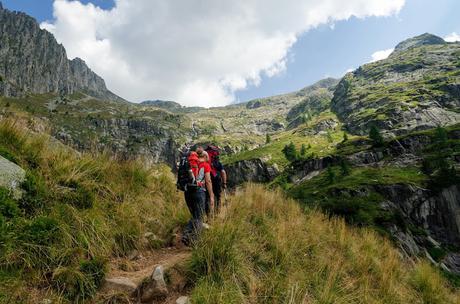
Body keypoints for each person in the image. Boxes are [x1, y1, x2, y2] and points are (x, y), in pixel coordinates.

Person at [182, 149, 214, 245]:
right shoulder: (205, 165)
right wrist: (211, 195)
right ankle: (195, 240)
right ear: (204, 156)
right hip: (199, 191)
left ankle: (186, 235)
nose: (208, 158)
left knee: (195, 216)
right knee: (199, 217)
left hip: (187, 191)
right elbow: (208, 181)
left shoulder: (189, 163)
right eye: (207, 156)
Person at [205, 145, 227, 213]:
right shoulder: (217, 163)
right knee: (217, 196)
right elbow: (223, 172)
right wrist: (224, 183)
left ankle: (208, 214)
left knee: (207, 196)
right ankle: (217, 212)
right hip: (216, 180)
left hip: (206, 180)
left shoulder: (205, 163)